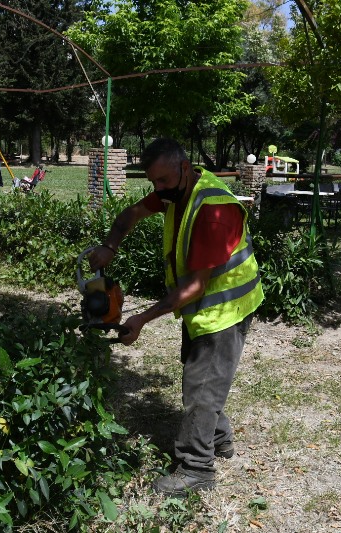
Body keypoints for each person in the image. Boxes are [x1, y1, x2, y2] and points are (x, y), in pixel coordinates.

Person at [89, 138, 264, 497]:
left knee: (200, 386)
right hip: (204, 309)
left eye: (164, 181)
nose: (159, 190)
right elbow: (131, 214)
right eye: (153, 182)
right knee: (201, 377)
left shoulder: (213, 210)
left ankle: (197, 468)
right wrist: (109, 245)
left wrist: (141, 319)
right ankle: (220, 438)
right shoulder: (176, 191)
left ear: (185, 168)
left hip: (224, 310)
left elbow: (195, 288)